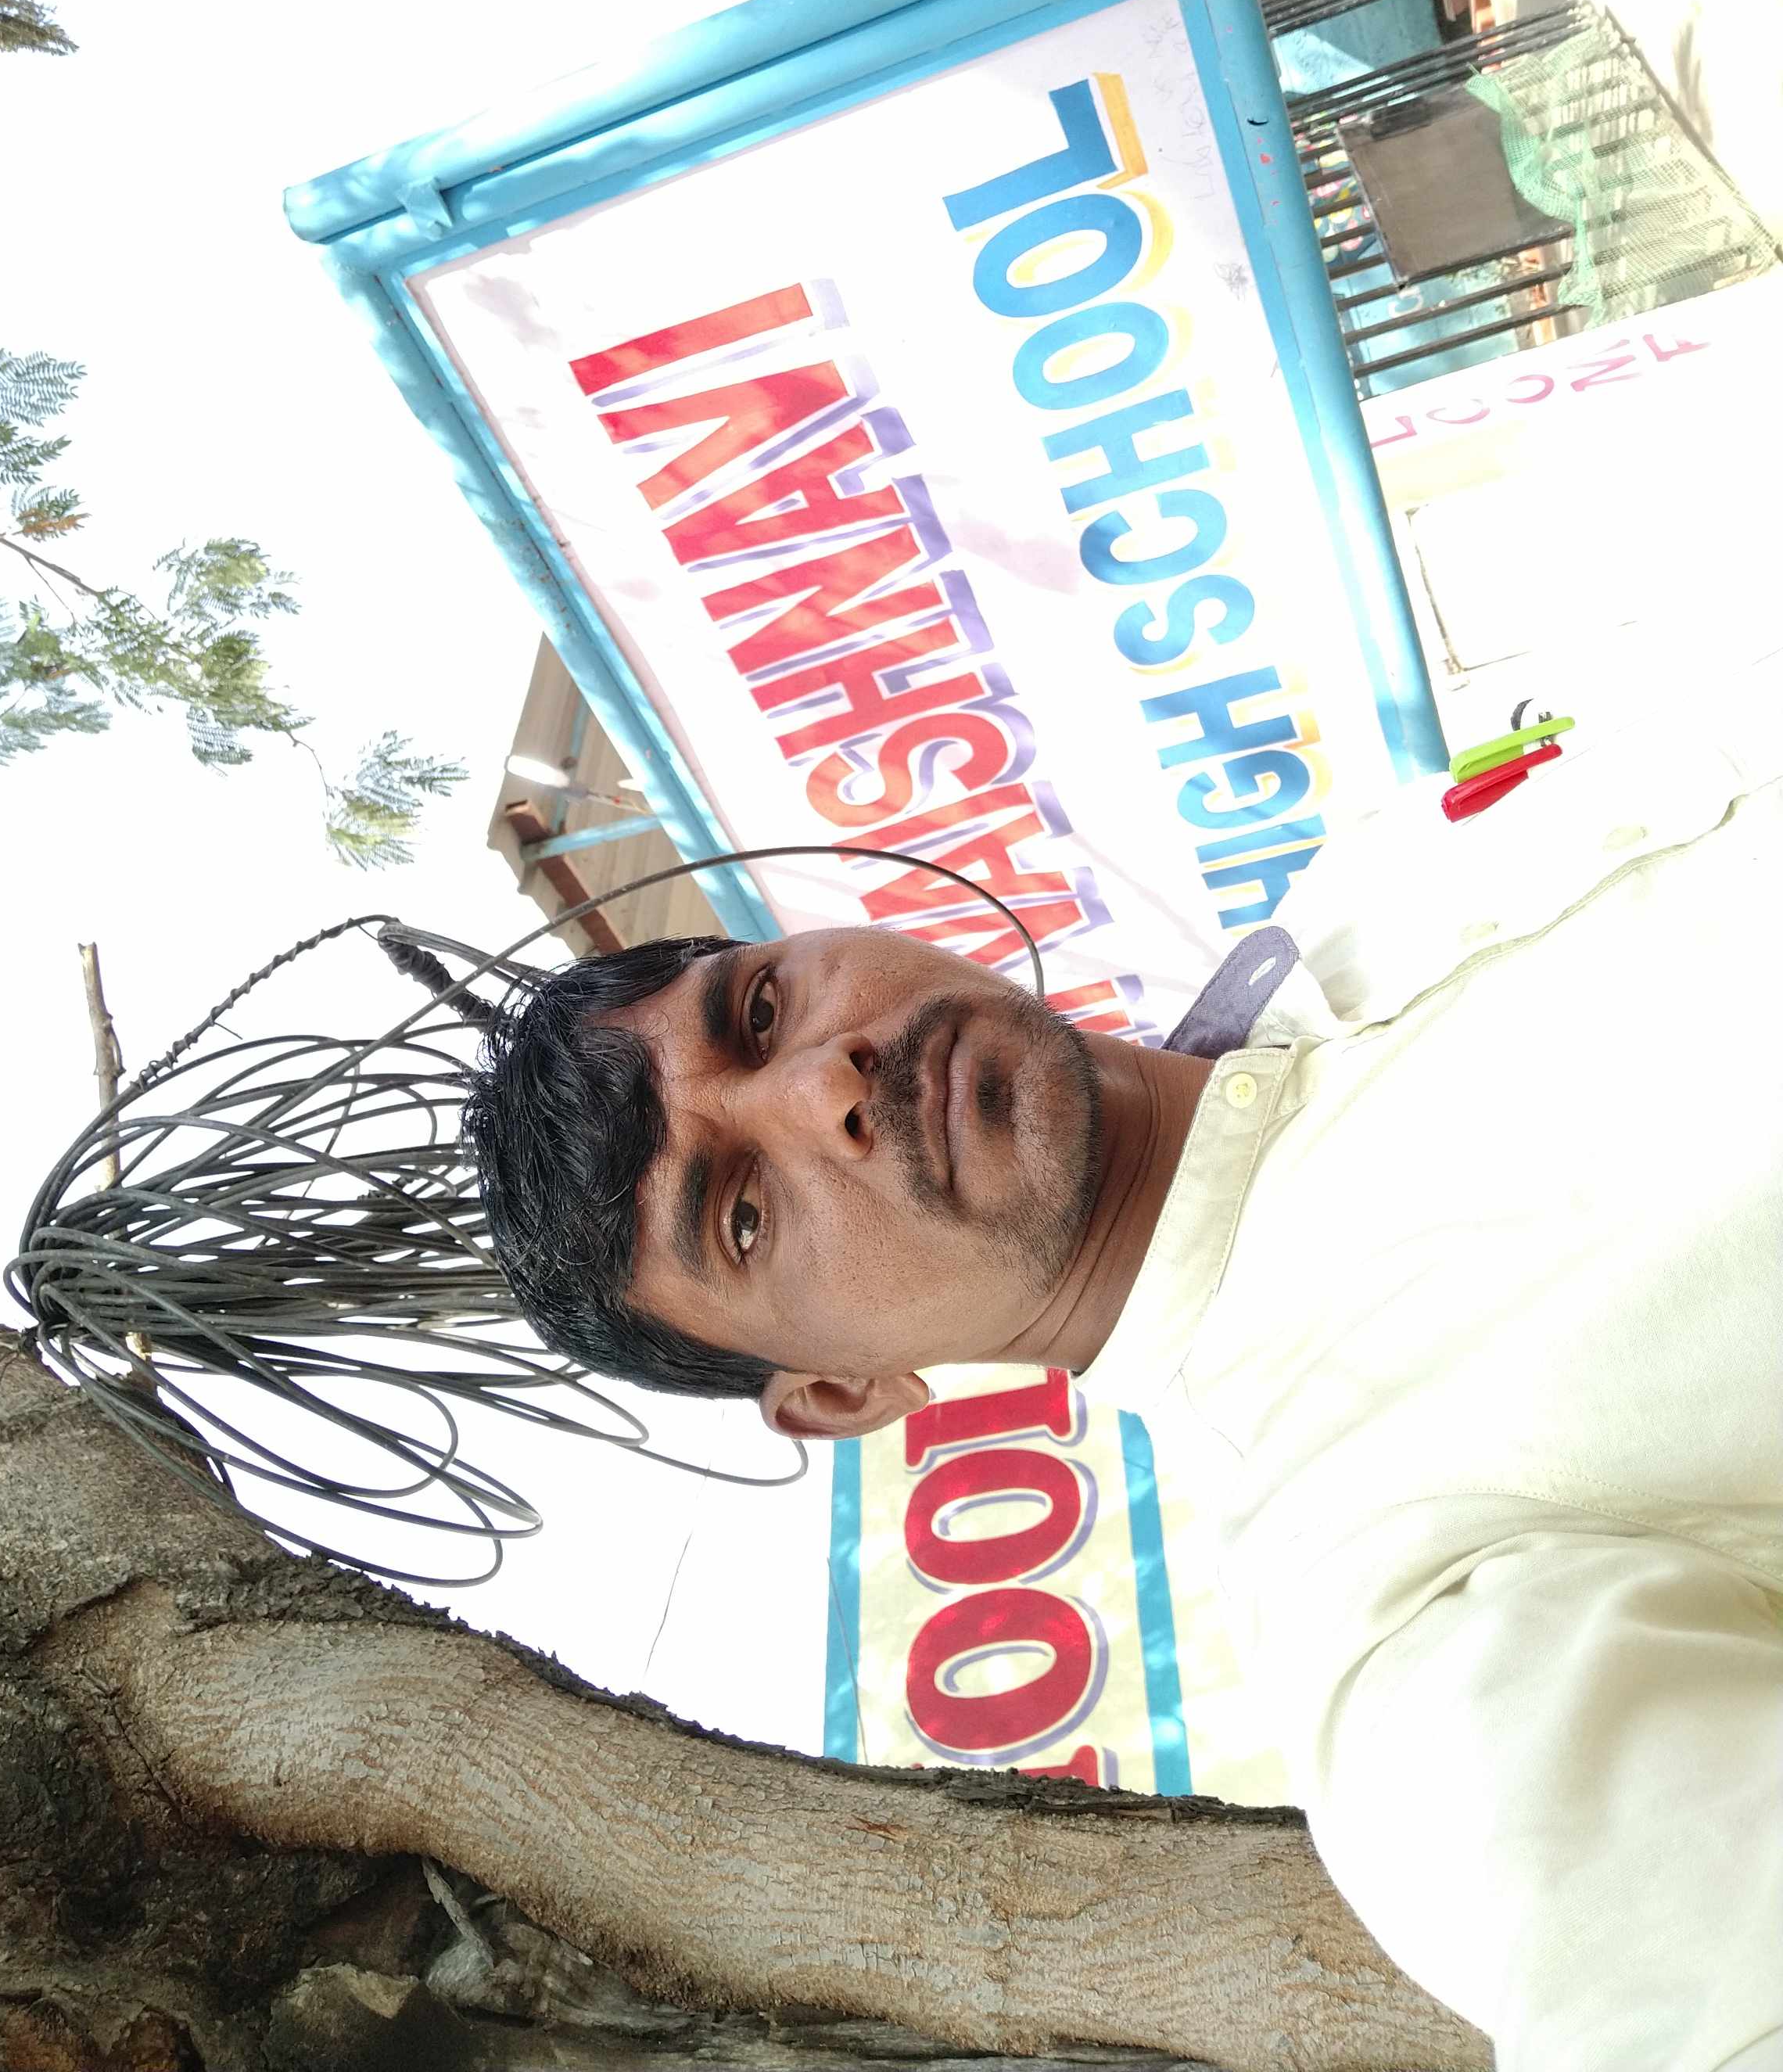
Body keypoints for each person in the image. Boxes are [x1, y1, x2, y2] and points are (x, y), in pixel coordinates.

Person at [465, 661, 1783, 2072]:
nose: (822, 1085)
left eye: (762, 1010)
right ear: (841, 1395)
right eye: (743, 1213)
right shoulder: (1388, 1589)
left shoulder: (1349, 895)